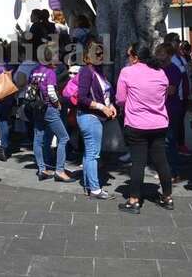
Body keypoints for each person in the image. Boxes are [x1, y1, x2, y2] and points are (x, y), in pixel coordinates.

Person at [116, 44, 173, 213]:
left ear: (135, 57)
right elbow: (164, 96)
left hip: (136, 124)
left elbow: (120, 99)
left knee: (138, 162)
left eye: (129, 55)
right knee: (161, 161)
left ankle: (134, 200)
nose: (128, 58)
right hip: (159, 123)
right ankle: (167, 197)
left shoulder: (127, 72)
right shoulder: (160, 72)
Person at [76, 41, 117, 199]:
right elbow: (81, 98)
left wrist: (110, 105)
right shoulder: (87, 71)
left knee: (89, 153)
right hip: (90, 117)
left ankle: (89, 185)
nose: (100, 56)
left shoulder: (98, 71)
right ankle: (94, 189)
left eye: (102, 53)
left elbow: (105, 94)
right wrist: (102, 107)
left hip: (95, 117)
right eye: (97, 53)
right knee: (93, 154)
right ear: (87, 56)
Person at [30, 44, 75, 183]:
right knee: (64, 137)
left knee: (38, 139)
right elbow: (51, 92)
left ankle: (42, 169)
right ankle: (60, 171)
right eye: (55, 55)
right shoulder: (50, 72)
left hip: (37, 108)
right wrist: (57, 104)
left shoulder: (35, 71)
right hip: (49, 108)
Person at [162, 43, 186, 183]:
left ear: (169, 55)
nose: (158, 55)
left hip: (172, 108)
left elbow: (171, 90)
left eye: (161, 52)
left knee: (170, 141)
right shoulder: (160, 69)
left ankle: (174, 172)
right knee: (164, 142)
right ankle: (167, 170)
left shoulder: (173, 69)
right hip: (162, 109)